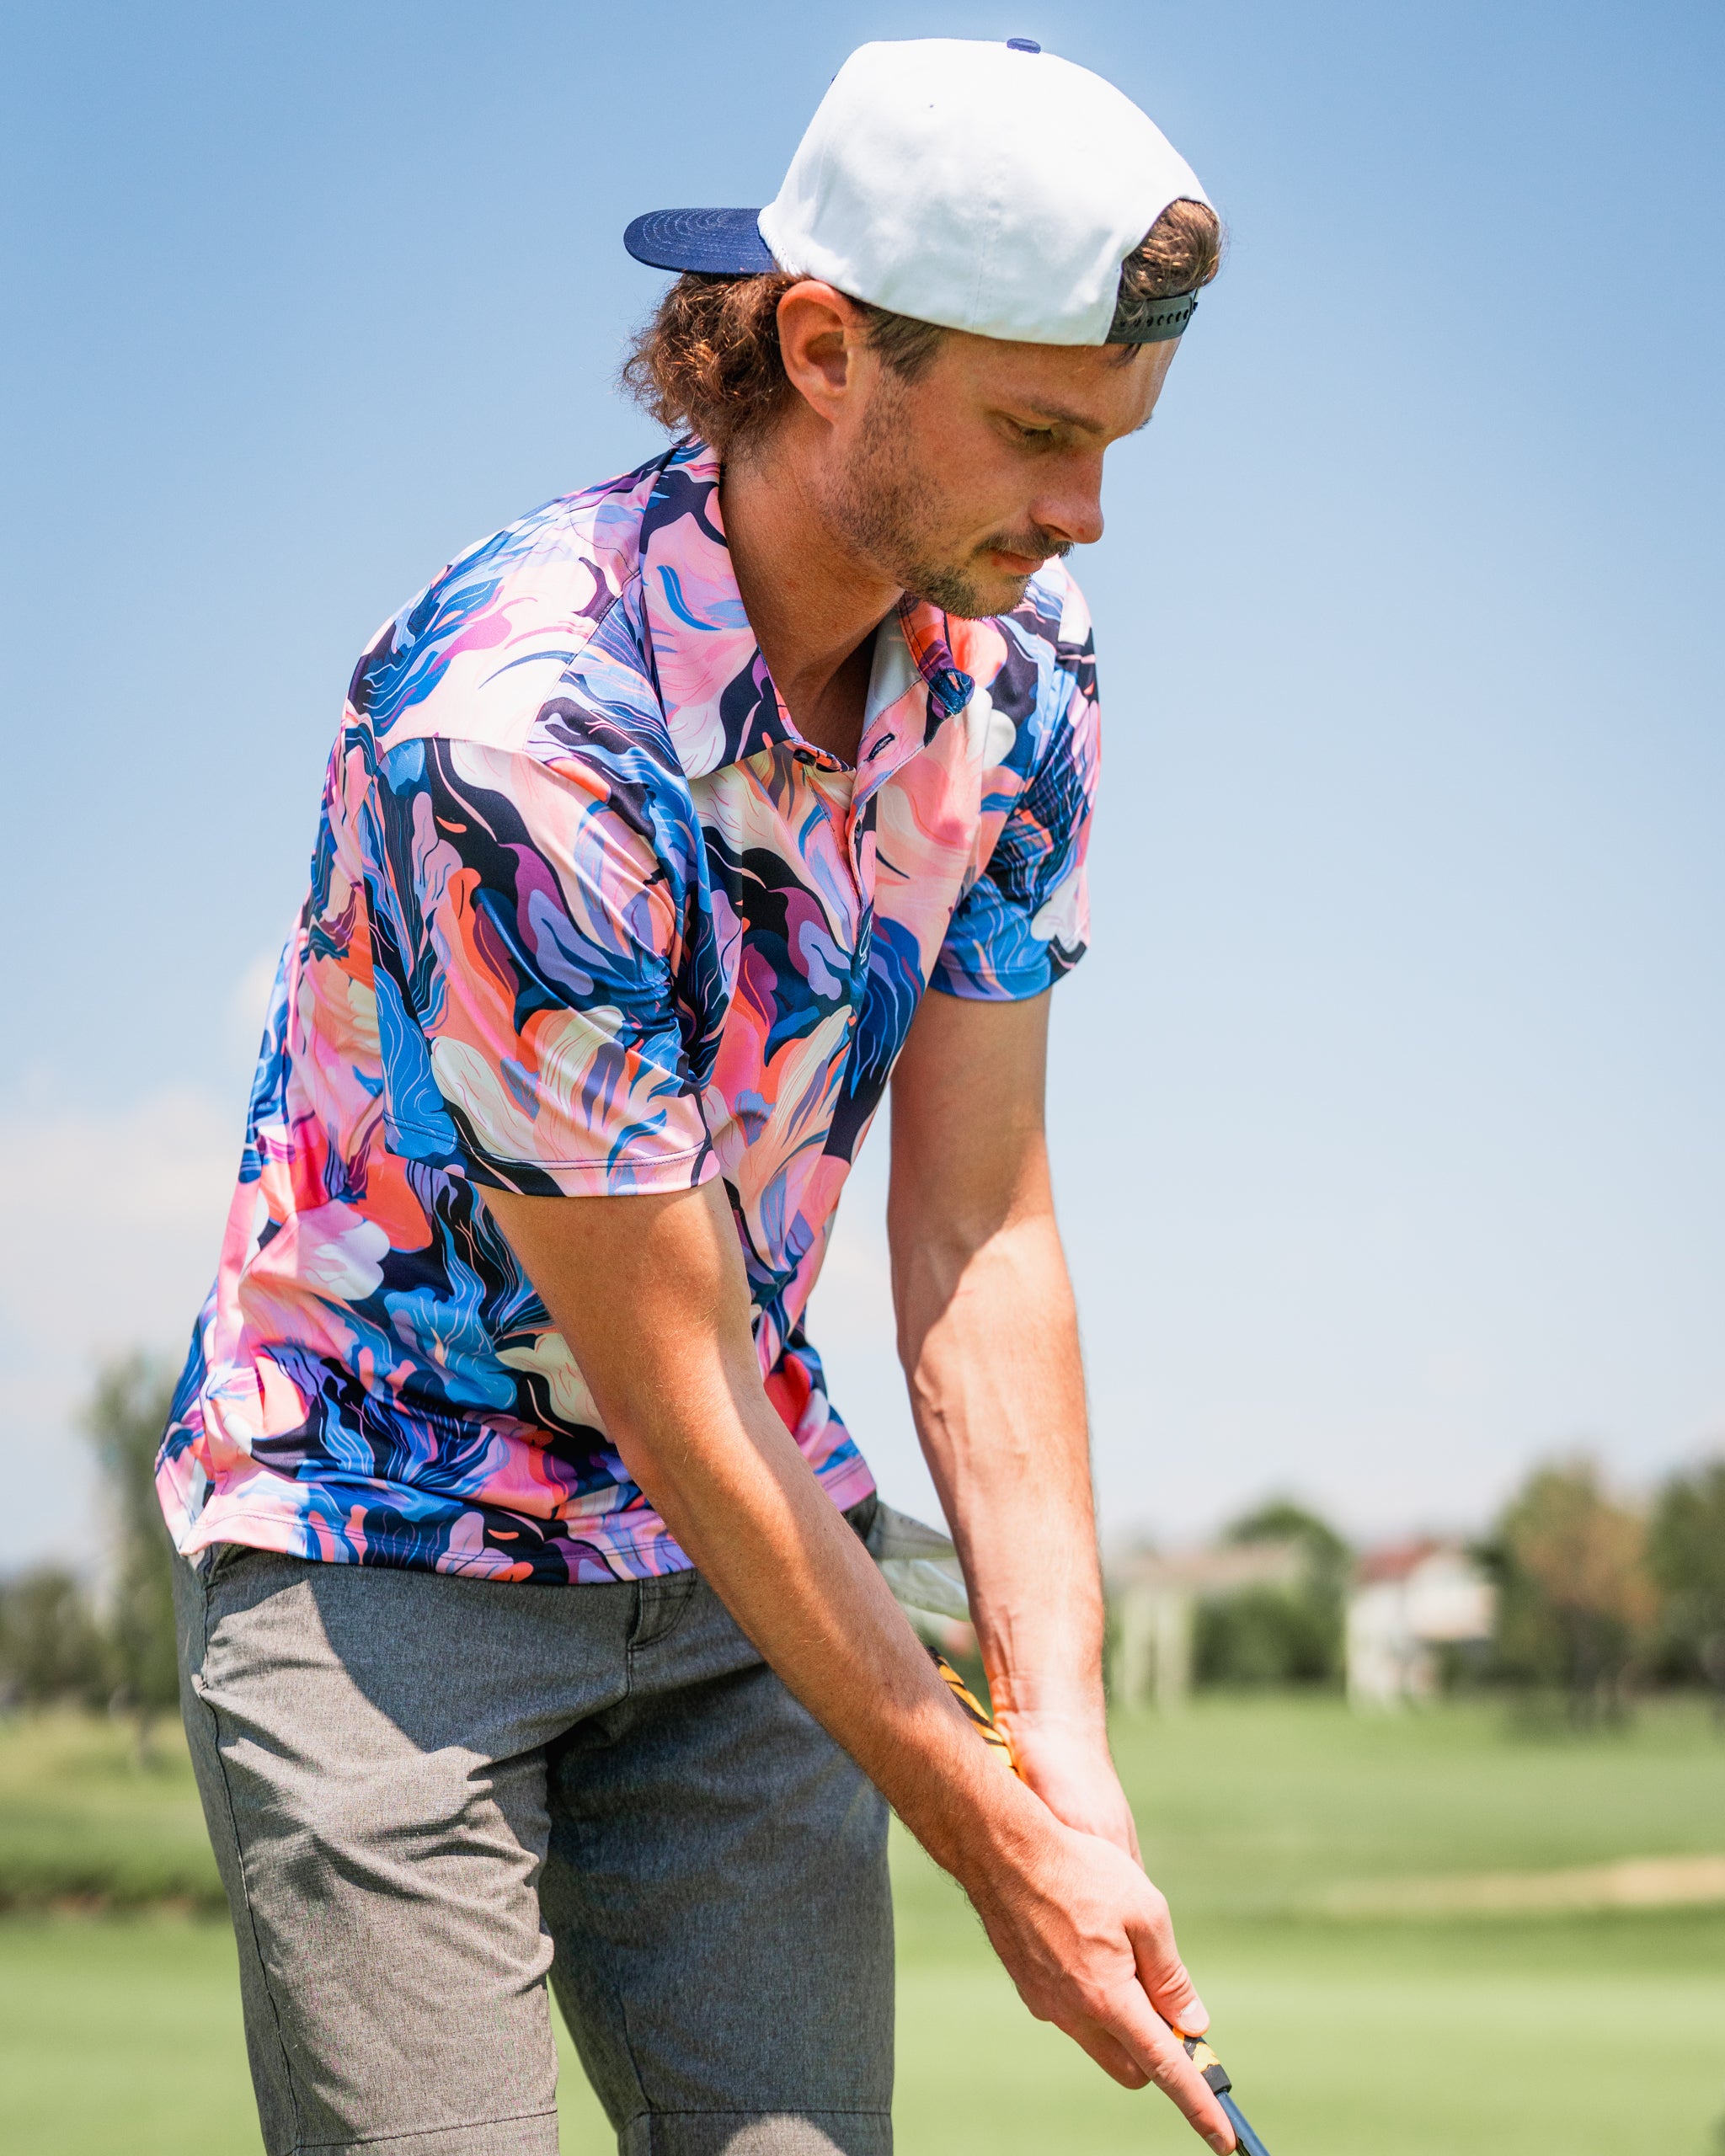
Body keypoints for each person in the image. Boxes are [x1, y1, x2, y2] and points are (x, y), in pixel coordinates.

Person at [158, 36, 1230, 2156]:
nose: (1084, 508)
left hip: (741, 1550)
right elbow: (666, 1375)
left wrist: (1067, 1748)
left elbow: (978, 1225)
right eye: (1037, 430)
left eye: (1116, 439)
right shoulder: (517, 733)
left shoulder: (1025, 671)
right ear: (823, 347)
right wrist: (993, 1849)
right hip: (387, 1542)